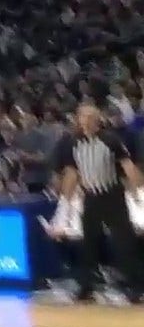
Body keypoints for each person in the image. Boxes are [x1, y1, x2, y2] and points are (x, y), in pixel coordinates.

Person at [53, 103, 144, 303]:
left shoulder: (111, 140)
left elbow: (128, 166)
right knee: (88, 245)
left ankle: (135, 287)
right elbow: (71, 173)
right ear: (78, 119)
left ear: (97, 120)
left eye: (90, 117)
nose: (86, 120)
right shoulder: (72, 143)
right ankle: (86, 287)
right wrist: (65, 205)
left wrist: (140, 193)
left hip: (113, 196)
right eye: (83, 116)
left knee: (124, 243)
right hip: (91, 197)